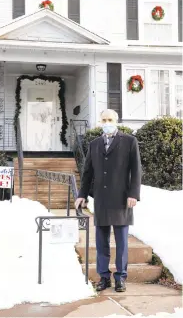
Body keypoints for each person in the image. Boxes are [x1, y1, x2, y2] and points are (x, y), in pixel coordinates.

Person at [75, 109, 141, 292]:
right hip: (101, 200)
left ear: (116, 121)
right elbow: (87, 172)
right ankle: (104, 277)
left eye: (110, 119)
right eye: (104, 119)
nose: (107, 122)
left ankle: (120, 277)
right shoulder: (94, 144)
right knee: (101, 241)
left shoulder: (129, 141)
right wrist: (82, 194)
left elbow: (136, 170)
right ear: (100, 121)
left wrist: (133, 194)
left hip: (122, 199)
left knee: (121, 241)